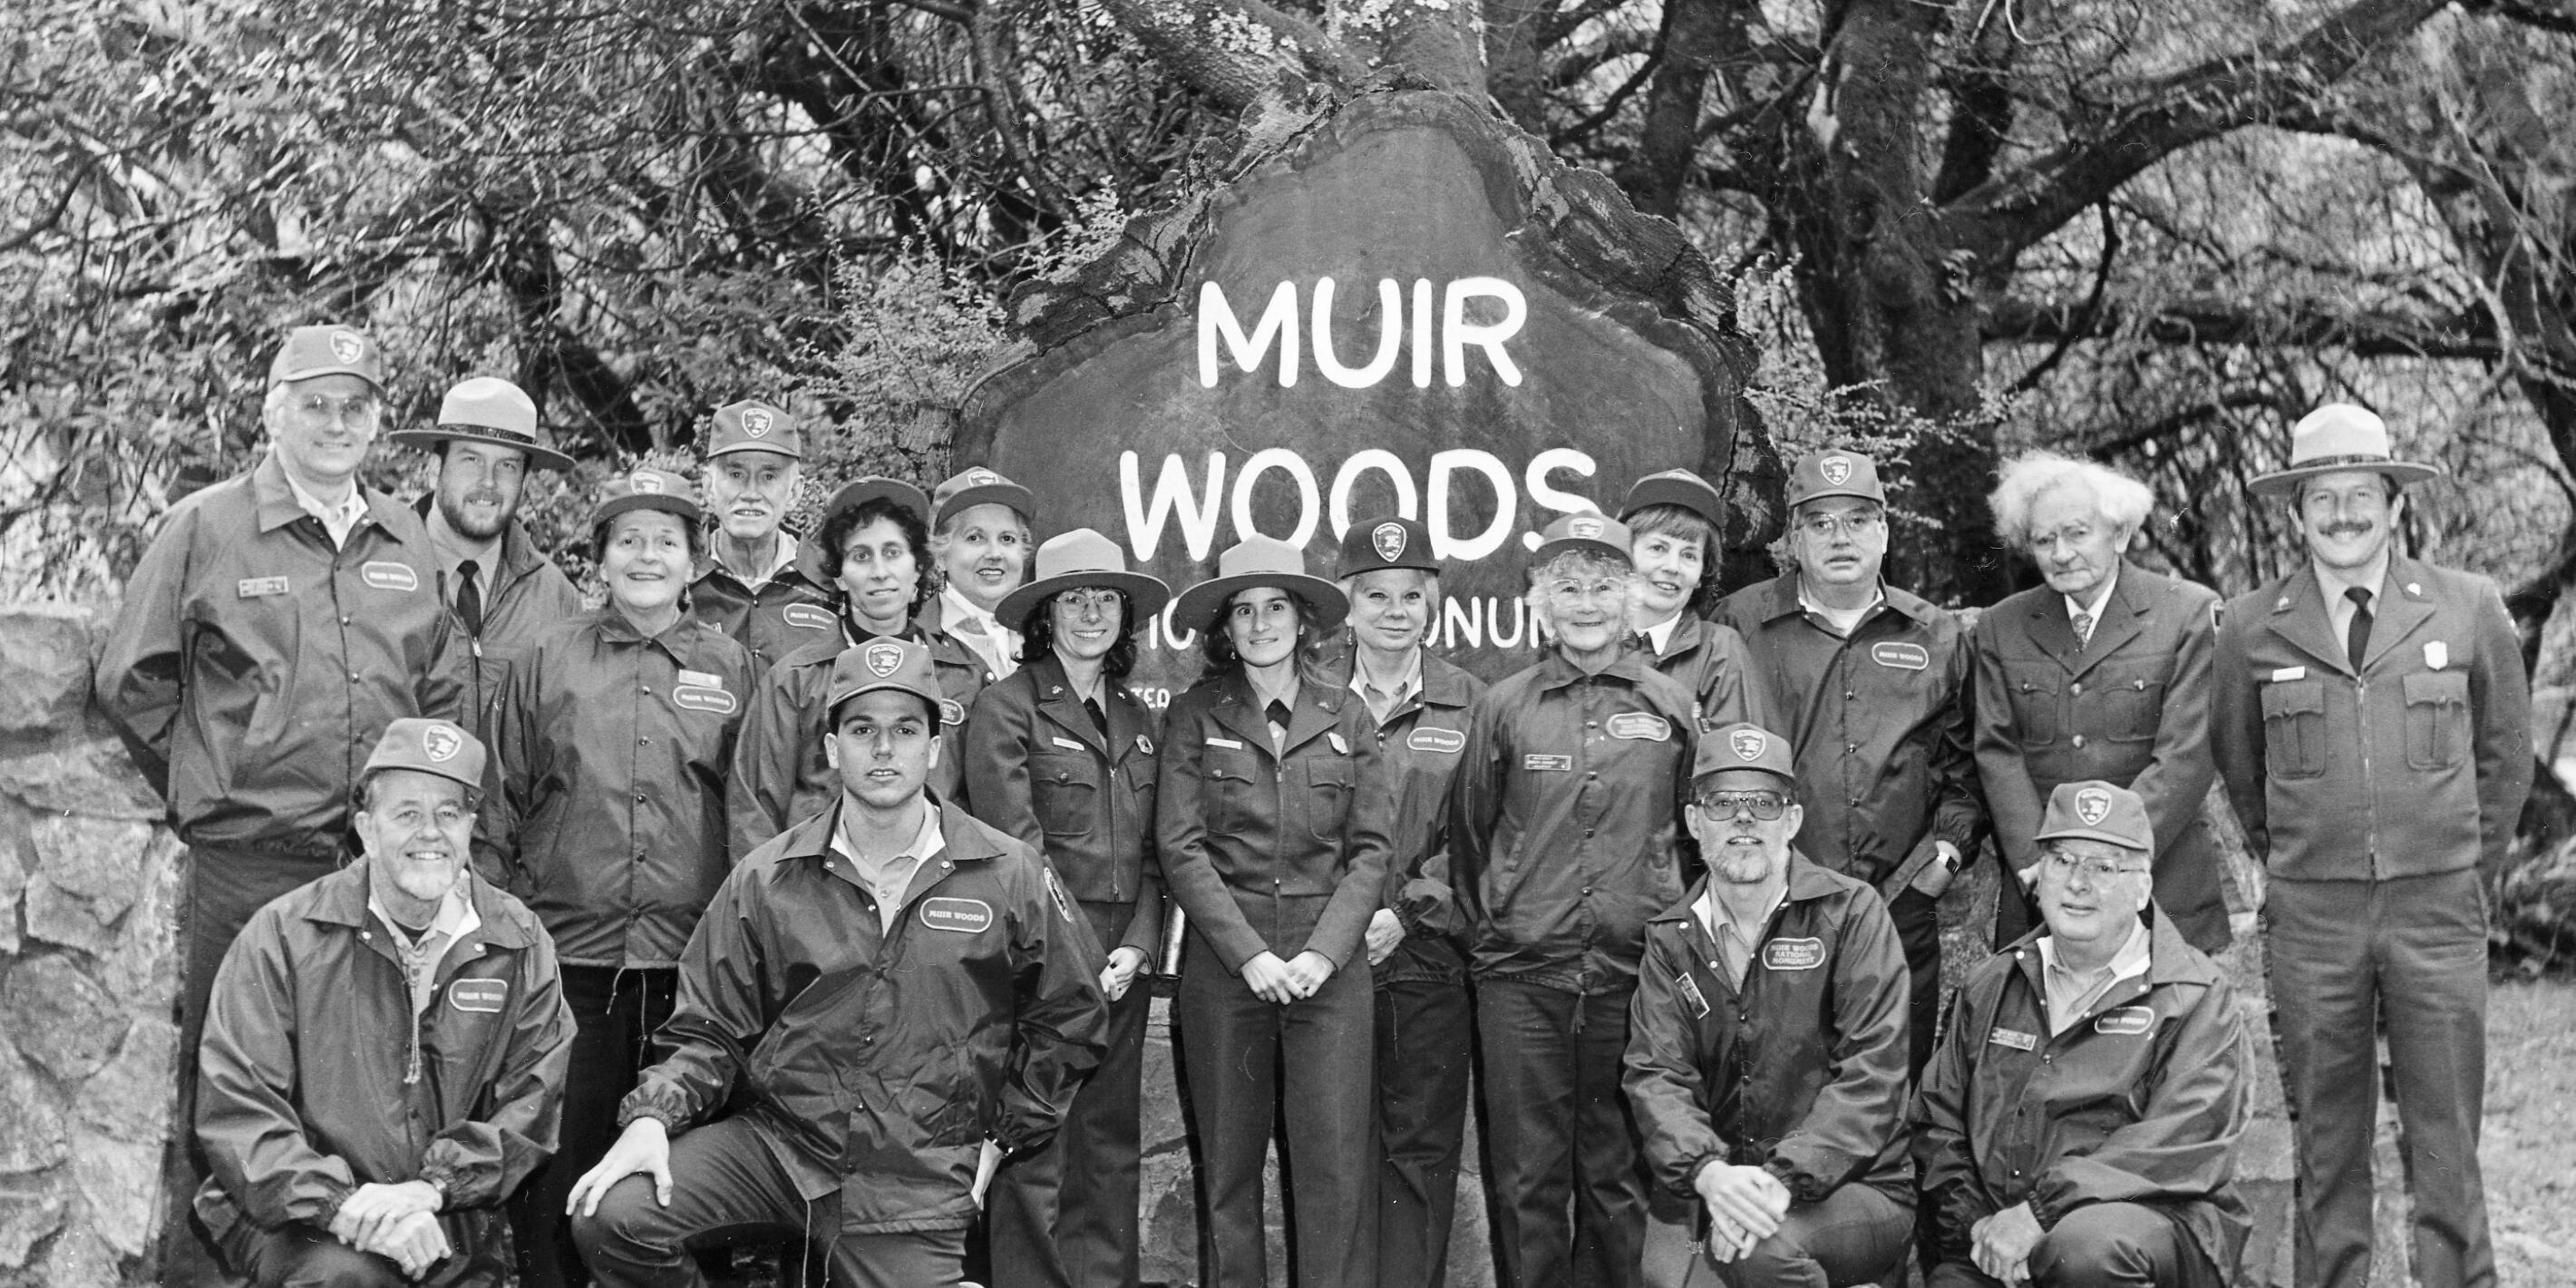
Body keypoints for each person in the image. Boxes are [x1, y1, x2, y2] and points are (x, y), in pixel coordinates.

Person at [92, 324, 464, 1282]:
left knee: (354, 1093)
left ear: (378, 421)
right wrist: (208, 783)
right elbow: (132, 681)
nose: (336, 423)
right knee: (226, 1097)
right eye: (316, 402)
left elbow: (439, 690)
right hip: (248, 865)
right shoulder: (206, 526)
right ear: (272, 409)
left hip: (370, 877)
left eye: (356, 406)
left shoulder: (405, 536)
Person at [566, 639, 1108, 1288]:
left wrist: (1001, 1139)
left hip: (914, 1176)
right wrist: (654, 1117)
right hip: (780, 1147)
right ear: (830, 749)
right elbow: (707, 1026)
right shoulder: (767, 877)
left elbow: (1072, 1014)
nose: (884, 749)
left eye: (905, 730)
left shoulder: (1007, 872)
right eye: (862, 729)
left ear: (934, 749)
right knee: (614, 1213)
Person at [2210, 404, 2532, 1288]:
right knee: (2329, 1135)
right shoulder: (2249, 625)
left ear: (2395, 505)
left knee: (2445, 1135)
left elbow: (2506, 758)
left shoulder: (2469, 607)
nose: (2343, 513)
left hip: (2439, 906)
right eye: (2324, 496)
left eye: (2362, 494)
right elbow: (2243, 767)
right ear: (2296, 511)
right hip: (2315, 915)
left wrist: (2466, 865)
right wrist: (2309, 859)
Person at [478, 467, 754, 1288]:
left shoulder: (734, 668)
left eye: (665, 540)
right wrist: (502, 946)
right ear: (597, 556)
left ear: (692, 558)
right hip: (571, 973)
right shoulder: (546, 659)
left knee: (671, 1198)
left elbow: (754, 819)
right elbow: (498, 807)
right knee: (556, 1188)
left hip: (693, 981)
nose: (646, 555)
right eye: (627, 539)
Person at [194, 717, 574, 1288]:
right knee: (343, 1280)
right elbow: (238, 1107)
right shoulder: (283, 934)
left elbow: (532, 1103)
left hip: (449, 1217)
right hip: (301, 1218)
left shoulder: (518, 941)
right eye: (407, 814)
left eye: (449, 813)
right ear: (366, 832)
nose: (431, 833)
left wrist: (432, 1190)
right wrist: (347, 1209)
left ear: (472, 828)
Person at [1449, 511, 1699, 1288]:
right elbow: (1467, 835)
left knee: (1616, 1175)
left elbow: (1697, 835)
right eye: (1567, 587)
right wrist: (1497, 927)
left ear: (1628, 598)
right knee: (1526, 1181)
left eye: (1601, 585)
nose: (1585, 603)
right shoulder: (1504, 707)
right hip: (1523, 980)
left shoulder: (1668, 707)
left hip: (1633, 980)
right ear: (1540, 601)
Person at [1158, 535, 1396, 1288]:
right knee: (1228, 1170)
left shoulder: (1346, 713)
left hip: (1329, 973)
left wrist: (1323, 954)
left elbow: (1371, 850)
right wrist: (1248, 954)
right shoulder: (1196, 713)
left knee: (1332, 1170)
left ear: (1302, 620)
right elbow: (1180, 846)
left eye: (1275, 608)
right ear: (1224, 629)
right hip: (1229, 972)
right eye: (1243, 611)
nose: (1260, 624)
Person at [1912, 781, 2252, 1288]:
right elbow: (1938, 1123)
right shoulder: (1990, 986)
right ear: (2036, 874)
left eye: (2104, 867)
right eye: (2064, 860)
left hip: (2139, 1239)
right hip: (2001, 1239)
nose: (2078, 883)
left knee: (2084, 1250)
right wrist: (1981, 1229)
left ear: (2143, 888)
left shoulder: (2196, 997)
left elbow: (2177, 1141)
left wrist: (2040, 1216)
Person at [1713, 449, 1981, 1078]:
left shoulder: (1933, 635)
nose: (1841, 537)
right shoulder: (1741, 625)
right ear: (1792, 538)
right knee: (1777, 1088)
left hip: (1897, 902)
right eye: (1820, 522)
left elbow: (1963, 764)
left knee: (1893, 1083)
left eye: (1858, 519)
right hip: (1774, 904)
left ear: (1884, 532)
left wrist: (1944, 857)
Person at [1624, 722, 1913, 1288]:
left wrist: (1780, 1182)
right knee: (1663, 1274)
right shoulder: (1670, 937)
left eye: (1764, 802)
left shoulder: (1852, 912)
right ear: (1693, 821)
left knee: (1756, 1251)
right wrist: (1707, 1172)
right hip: (1723, 1185)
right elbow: (1655, 1075)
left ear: (1793, 820)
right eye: (1723, 803)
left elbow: (1874, 1070)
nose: (1744, 820)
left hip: (1853, 1187)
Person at [968, 529, 1172, 1288]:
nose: (1091, 613)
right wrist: (1078, 953)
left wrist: (1142, 946)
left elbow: (1158, 853)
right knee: (1037, 1134)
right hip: (1046, 952)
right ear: (1043, 616)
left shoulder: (1138, 717)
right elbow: (1015, 850)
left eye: (1105, 600)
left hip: (1123, 959)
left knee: (1110, 1140)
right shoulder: (1006, 707)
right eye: (1072, 599)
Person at [1306, 514, 1488, 1288]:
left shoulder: (1473, 704)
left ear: (1432, 603)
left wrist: (1405, 911)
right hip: (1326, 961)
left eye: (1408, 596)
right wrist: (1344, 923)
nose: (1392, 611)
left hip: (1425, 961)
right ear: (1346, 605)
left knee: (1417, 1155)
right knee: (1334, 1156)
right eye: (1373, 595)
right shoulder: (1308, 693)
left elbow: (1482, 835)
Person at [1970, 451, 2230, 954]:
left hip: (2160, 883)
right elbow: (1997, 752)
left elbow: (2186, 758)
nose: (2062, 553)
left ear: (2121, 534)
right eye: (2045, 540)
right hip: (2043, 890)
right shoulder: (2001, 627)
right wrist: (2039, 866)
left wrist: (2111, 859)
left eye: (2077, 533)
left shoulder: (2188, 613)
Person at [728, 476, 990, 857]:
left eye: (893, 552)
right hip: (816, 889)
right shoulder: (796, 679)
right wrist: (775, 902)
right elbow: (753, 809)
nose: (879, 571)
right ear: (839, 573)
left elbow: (988, 810)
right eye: (861, 556)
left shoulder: (965, 675)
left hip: (934, 889)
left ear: (918, 566)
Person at [392, 376, 583, 737]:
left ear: (525, 482)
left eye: (507, 466)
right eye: (471, 460)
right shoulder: (382, 575)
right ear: (435, 469)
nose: (489, 482)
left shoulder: (556, 599)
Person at [687, 399, 836, 676]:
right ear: (709, 486)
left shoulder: (833, 584)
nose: (751, 493)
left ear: (794, 492)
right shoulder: (678, 583)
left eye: (769, 476)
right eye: (736, 474)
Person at [1619, 469, 1768, 731]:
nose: (1672, 567)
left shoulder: (1719, 652)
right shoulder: (1590, 638)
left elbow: (1737, 764)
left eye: (1689, 555)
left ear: (1703, 573)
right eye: (1658, 548)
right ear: (1625, 555)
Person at [925, 465, 1036, 682]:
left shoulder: (1047, 637)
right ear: (940, 555)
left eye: (1007, 539)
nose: (995, 554)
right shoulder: (912, 645)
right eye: (975, 538)